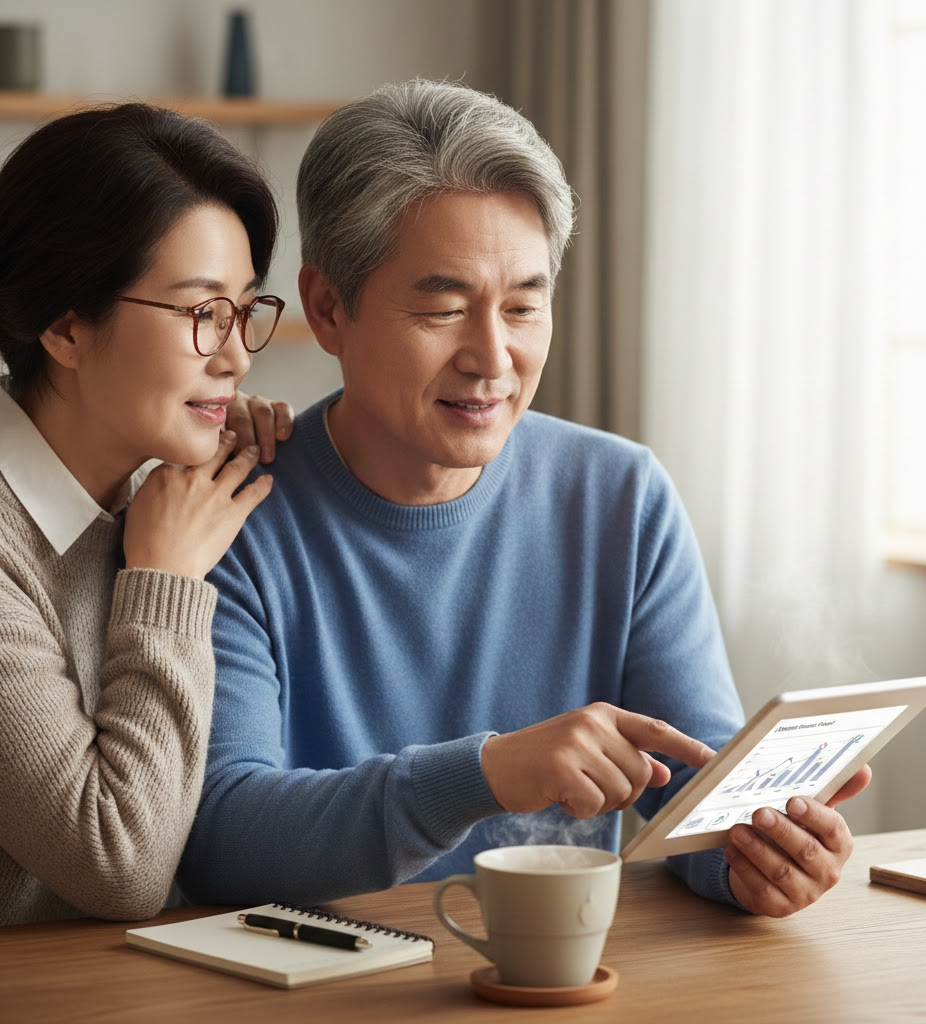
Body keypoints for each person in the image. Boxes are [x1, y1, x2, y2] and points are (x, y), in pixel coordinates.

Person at [179, 79, 870, 918]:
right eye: (443, 308)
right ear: (328, 309)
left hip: (564, 985)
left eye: (523, 307)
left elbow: (693, 785)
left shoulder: (620, 497)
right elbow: (223, 837)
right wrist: (482, 775)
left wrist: (754, 851)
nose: (493, 358)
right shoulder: (228, 515)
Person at [0, 102, 294, 925]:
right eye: (201, 313)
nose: (235, 356)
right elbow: (118, 865)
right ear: (64, 324)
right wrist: (163, 579)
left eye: (243, 310)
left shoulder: (149, 491)